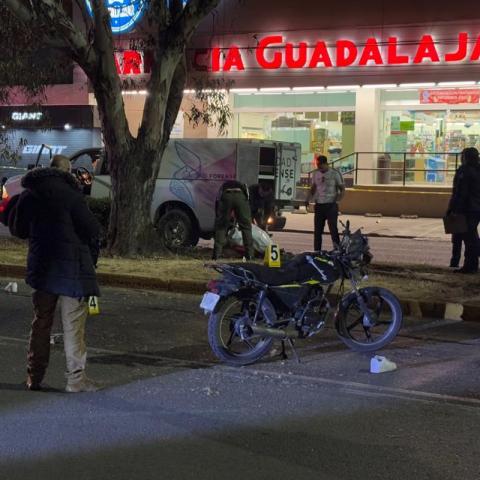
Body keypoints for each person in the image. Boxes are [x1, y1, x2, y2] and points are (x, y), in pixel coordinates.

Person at [9, 154, 101, 392]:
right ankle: (75, 380)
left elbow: (18, 229)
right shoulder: (72, 195)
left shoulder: (30, 194)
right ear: (68, 172)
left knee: (41, 322)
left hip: (43, 268)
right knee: (73, 326)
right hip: (72, 270)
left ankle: (34, 377)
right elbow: (91, 229)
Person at [447, 147, 480, 273]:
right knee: (471, 236)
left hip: (467, 209)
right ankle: (471, 265)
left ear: (465, 157)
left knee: (469, 238)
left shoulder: (464, 171)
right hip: (476, 208)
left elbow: (460, 193)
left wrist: (452, 209)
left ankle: (470, 266)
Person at [306, 154, 345, 251]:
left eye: (320, 165)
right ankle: (317, 251)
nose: (319, 168)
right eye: (318, 166)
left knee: (333, 230)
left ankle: (337, 250)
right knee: (317, 231)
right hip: (319, 205)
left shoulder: (335, 174)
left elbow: (342, 189)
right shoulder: (316, 174)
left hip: (330, 205)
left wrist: (337, 200)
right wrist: (307, 199)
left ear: (325, 164)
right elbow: (313, 188)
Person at [213, 180, 253, 260]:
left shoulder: (223, 186)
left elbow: (217, 204)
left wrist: (219, 218)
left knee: (221, 226)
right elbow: (248, 203)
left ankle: (216, 255)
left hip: (226, 194)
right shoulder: (243, 186)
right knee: (246, 227)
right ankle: (250, 255)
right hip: (240, 195)